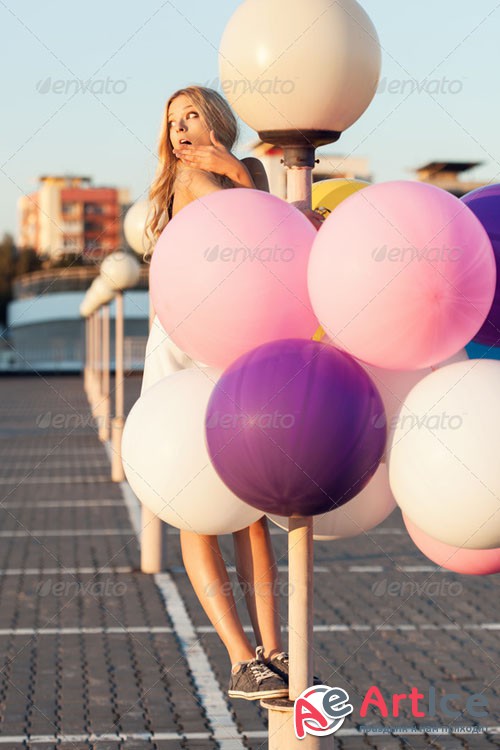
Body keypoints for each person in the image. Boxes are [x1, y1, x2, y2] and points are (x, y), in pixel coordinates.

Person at [142, 85, 322, 701]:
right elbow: (257, 235)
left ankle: (273, 651)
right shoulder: (190, 184)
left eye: (191, 115)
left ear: (216, 118)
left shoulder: (240, 171)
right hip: (184, 343)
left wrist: (233, 167)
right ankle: (243, 656)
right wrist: (228, 170)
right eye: (172, 122)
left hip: (232, 339)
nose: (181, 130)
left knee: (249, 509)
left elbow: (270, 242)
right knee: (199, 504)